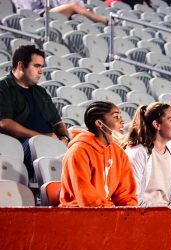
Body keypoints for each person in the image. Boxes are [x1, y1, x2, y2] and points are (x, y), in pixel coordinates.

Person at [0, 45, 69, 175]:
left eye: (42, 66)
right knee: (41, 145)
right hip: (18, 146)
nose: (41, 71)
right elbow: (4, 123)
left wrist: (64, 138)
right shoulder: (3, 87)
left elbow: (58, 122)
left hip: (49, 144)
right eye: (36, 66)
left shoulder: (41, 92)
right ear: (21, 66)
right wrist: (42, 137)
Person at [60, 101, 138, 207]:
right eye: (116, 117)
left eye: (121, 117)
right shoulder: (78, 151)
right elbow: (87, 199)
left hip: (106, 212)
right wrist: (112, 211)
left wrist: (130, 213)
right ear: (99, 124)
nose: (122, 121)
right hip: (78, 213)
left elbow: (126, 195)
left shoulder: (119, 153)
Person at [124, 102, 171, 207]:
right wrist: (160, 213)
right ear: (157, 125)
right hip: (142, 214)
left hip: (165, 214)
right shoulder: (137, 153)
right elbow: (132, 198)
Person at [12, 0, 108, 24]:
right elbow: (28, 9)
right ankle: (105, 20)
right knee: (73, 6)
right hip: (37, 16)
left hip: (46, 12)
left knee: (78, 9)